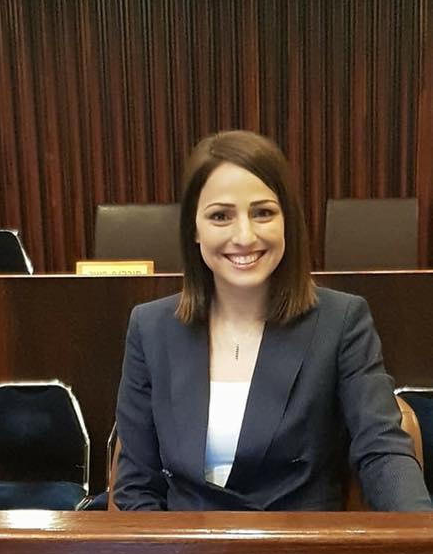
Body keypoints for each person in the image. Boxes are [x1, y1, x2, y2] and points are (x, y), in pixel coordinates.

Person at [113, 130, 432, 511]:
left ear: (287, 222)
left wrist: (420, 539)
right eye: (220, 216)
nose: (244, 235)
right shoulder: (150, 328)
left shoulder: (342, 320)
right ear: (193, 229)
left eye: (263, 212)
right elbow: (136, 487)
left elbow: (382, 450)